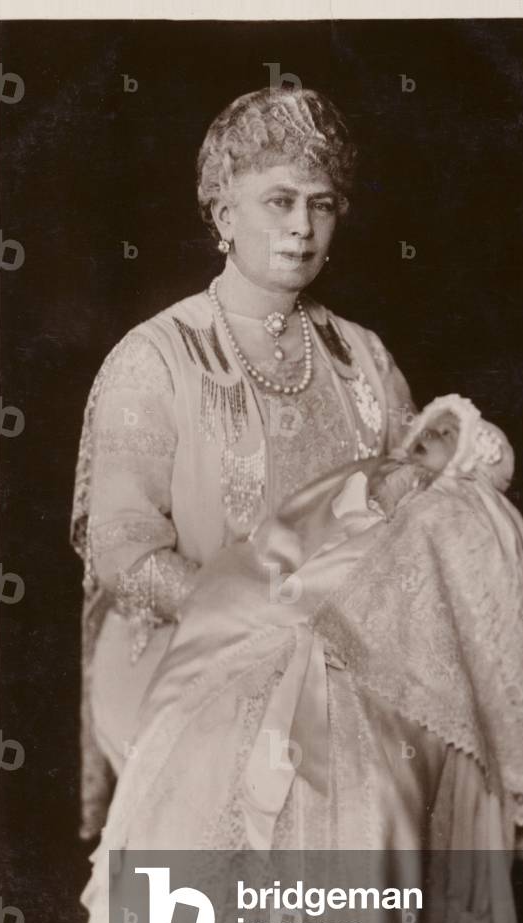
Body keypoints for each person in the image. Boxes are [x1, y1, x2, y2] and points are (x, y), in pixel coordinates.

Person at [79, 394, 523, 923]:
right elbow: (285, 536)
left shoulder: (465, 515)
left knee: (351, 788)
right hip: (280, 619)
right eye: (428, 432)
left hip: (371, 661)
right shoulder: (370, 478)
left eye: (446, 439)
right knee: (212, 750)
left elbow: (478, 622)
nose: (425, 442)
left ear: (471, 463)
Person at [70, 86, 420, 842]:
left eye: (322, 204)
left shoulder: (363, 358)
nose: (301, 226)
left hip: (350, 693)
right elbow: (121, 547)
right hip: (199, 679)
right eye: (278, 201)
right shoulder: (156, 356)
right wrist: (255, 625)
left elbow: (409, 521)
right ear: (224, 215)